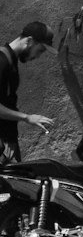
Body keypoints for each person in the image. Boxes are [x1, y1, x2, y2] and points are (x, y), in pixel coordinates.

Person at [0, 21, 55, 162]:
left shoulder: (10, 61)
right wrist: (27, 117)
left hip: (8, 141)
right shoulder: (2, 61)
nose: (37, 57)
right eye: (40, 50)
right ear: (30, 41)